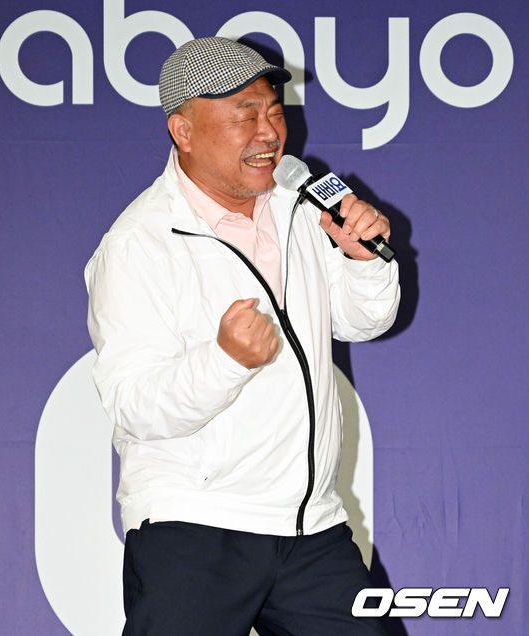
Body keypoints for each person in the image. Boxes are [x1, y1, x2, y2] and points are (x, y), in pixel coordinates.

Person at [85, 36, 400, 636]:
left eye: (275, 111)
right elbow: (133, 404)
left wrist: (364, 261)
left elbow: (362, 321)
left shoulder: (299, 199)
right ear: (183, 131)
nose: (268, 133)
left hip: (310, 527)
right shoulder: (137, 245)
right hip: (196, 526)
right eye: (244, 116)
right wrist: (226, 360)